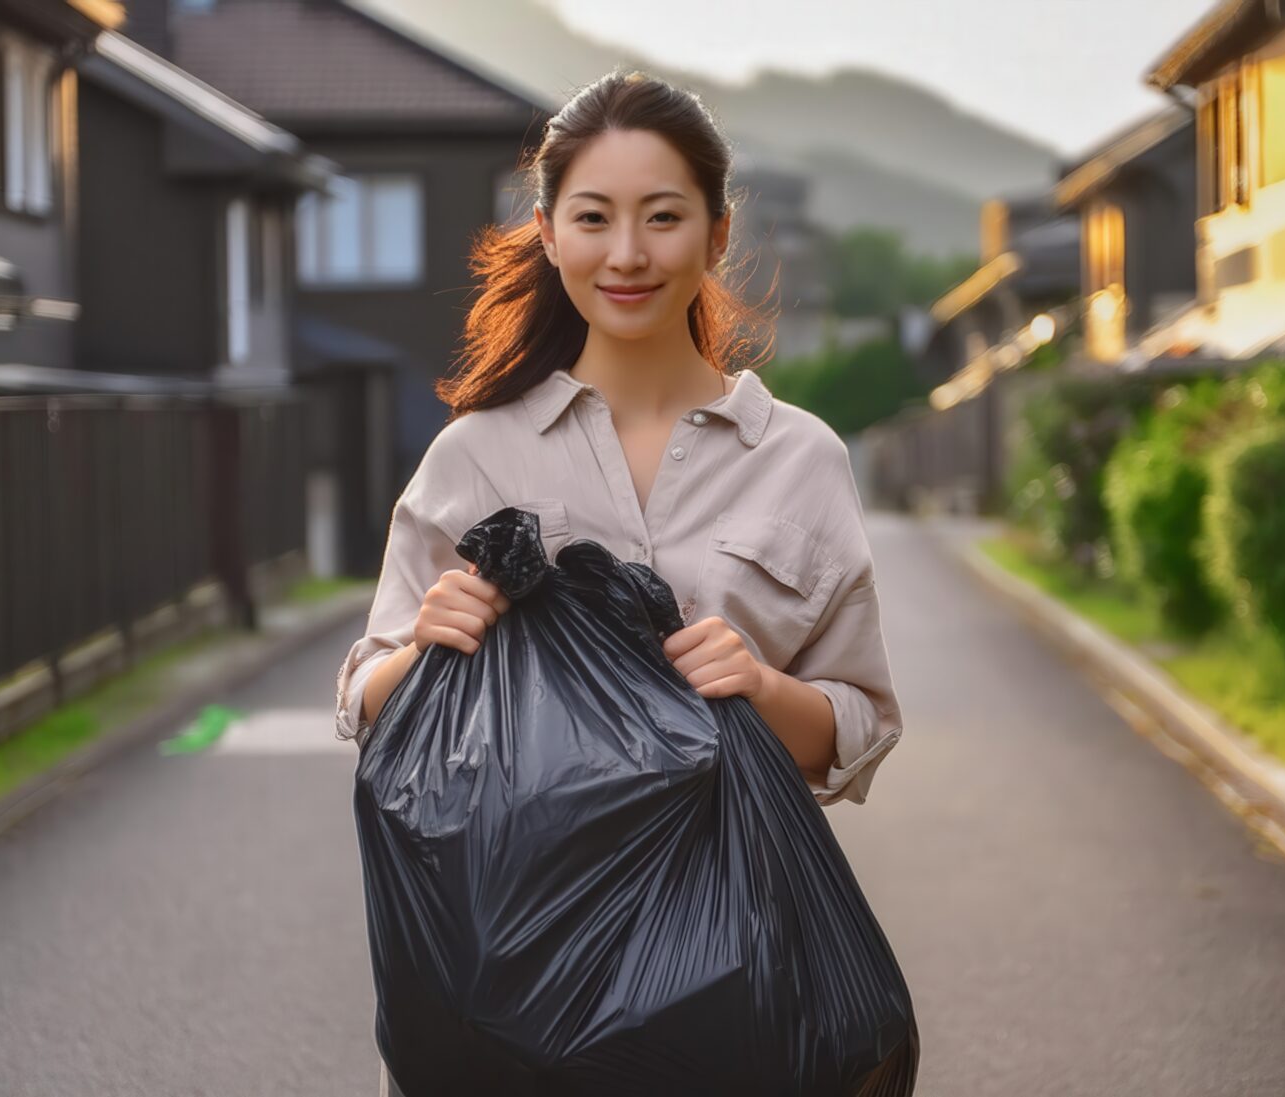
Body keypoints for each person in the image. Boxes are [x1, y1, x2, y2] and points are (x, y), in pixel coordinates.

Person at [333, 68, 905, 1096]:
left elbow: (860, 719)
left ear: (716, 235)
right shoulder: (475, 456)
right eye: (594, 217)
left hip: (738, 967)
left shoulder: (800, 457)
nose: (628, 253)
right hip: (506, 969)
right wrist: (426, 642)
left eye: (663, 217)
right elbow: (370, 701)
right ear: (550, 234)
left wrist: (762, 689)